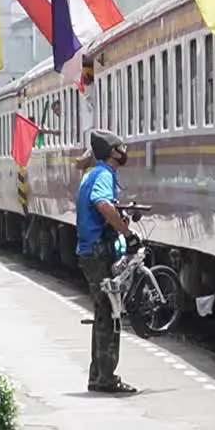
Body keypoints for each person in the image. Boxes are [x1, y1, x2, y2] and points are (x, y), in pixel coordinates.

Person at [76, 129, 138, 394]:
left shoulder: (94, 174)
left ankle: (98, 375)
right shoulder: (102, 174)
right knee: (110, 316)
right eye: (121, 147)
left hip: (92, 251)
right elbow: (101, 204)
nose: (125, 152)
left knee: (104, 313)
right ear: (113, 152)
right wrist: (127, 232)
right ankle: (106, 378)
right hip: (98, 252)